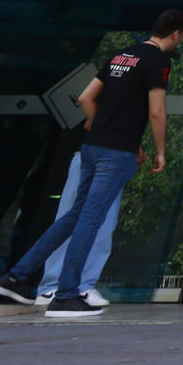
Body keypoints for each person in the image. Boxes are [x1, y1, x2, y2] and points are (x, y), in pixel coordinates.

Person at [0, 9, 183, 320]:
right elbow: (157, 111)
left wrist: (102, 129)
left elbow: (85, 98)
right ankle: (66, 296)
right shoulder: (158, 61)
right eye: (182, 36)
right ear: (177, 34)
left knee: (74, 217)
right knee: (89, 222)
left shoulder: (120, 55)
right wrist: (160, 151)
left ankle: (15, 277)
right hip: (116, 154)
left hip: (92, 148)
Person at [31, 125, 122, 308]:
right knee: (81, 220)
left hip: (108, 153)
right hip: (100, 153)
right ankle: (58, 285)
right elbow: (88, 110)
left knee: (98, 223)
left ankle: (72, 285)